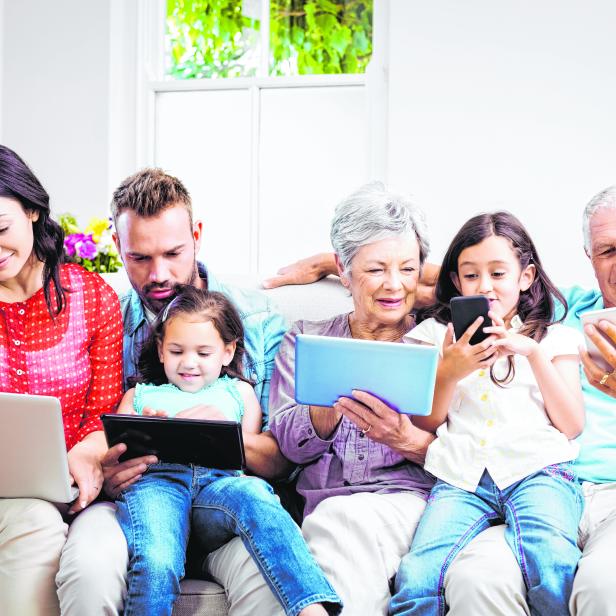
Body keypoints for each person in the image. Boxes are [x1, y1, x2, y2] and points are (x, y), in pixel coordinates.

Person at [55, 168, 298, 616]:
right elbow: (92, 432)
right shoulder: (106, 317)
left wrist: (218, 434)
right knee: (90, 566)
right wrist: (104, 475)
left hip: (226, 501)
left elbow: (282, 459)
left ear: (197, 235)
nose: (159, 274)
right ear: (116, 245)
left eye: (173, 252)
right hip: (137, 498)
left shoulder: (259, 320)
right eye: (140, 258)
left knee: (269, 577)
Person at [268, 183, 511, 615]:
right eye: (376, 269)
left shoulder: (442, 342)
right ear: (343, 271)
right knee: (336, 524)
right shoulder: (305, 339)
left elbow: (474, 458)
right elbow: (286, 449)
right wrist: (327, 399)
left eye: (408, 268)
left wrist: (405, 439)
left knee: (344, 523)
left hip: (413, 506)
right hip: (324, 507)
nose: (394, 285)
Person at [389, 211, 584, 615]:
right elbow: (425, 423)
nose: (486, 287)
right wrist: (449, 371)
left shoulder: (555, 336)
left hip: (539, 472)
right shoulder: (430, 336)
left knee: (550, 559)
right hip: (462, 479)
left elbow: (572, 425)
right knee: (419, 573)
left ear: (525, 277)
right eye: (472, 275)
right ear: (457, 281)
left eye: (498, 273)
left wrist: (530, 352)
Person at [115, 285, 340, 616]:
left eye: (203, 354)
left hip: (217, 489)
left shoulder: (238, 393)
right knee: (156, 559)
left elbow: (247, 460)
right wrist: (143, 429)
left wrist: (220, 429)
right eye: (176, 351)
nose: (188, 363)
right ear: (161, 350)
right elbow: (118, 447)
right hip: (158, 485)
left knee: (255, 493)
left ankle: (311, 607)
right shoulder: (140, 394)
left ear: (228, 351)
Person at [0, 145, 123, 616]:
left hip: (72, 490)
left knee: (38, 521)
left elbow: (102, 413)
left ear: (32, 209)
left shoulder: (91, 297)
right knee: (33, 519)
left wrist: (88, 453)